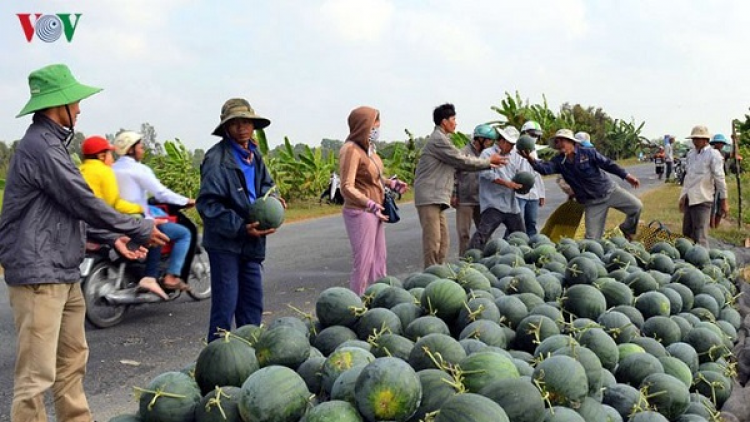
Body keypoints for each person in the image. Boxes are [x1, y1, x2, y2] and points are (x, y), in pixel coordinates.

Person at [0, 63, 166, 422]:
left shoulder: (54, 145)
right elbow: (82, 200)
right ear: (56, 105)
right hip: (38, 273)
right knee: (36, 376)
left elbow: (66, 212)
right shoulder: (39, 147)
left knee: (72, 361)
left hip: (62, 270)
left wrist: (114, 237)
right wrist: (136, 228)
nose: (79, 108)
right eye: (74, 102)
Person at [196, 98, 285, 342]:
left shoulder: (254, 155)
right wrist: (240, 227)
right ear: (226, 127)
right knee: (225, 305)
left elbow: (267, 186)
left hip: (251, 242)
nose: (242, 127)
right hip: (226, 242)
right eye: (236, 123)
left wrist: (275, 199)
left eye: (246, 122)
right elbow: (208, 205)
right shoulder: (216, 160)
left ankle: (250, 352)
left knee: (252, 303)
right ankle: (216, 358)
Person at [413, 103, 507, 268]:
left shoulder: (444, 139)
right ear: (444, 122)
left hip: (437, 197)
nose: (456, 123)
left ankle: (439, 271)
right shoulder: (438, 140)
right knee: (432, 240)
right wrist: (488, 162)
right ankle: (431, 275)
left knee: (443, 241)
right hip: (429, 196)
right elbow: (461, 161)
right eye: (453, 119)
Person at [112, 131, 194, 300]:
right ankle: (170, 277)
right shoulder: (139, 169)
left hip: (116, 220)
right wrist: (186, 200)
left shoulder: (112, 168)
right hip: (137, 220)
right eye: (140, 147)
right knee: (183, 233)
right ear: (131, 149)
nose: (143, 150)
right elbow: (161, 193)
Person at [520, 128, 642, 240]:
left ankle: (627, 229)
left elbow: (608, 164)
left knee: (636, 207)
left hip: (610, 191)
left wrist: (626, 176)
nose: (560, 144)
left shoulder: (588, 153)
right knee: (592, 240)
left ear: (572, 142)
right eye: (558, 142)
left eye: (563, 141)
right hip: (592, 203)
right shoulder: (558, 162)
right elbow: (544, 169)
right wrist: (531, 159)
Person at [339, 106, 408, 295]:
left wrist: (391, 184)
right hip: (361, 212)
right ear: (363, 125)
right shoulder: (351, 150)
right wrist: (368, 203)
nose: (378, 127)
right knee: (364, 262)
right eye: (375, 122)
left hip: (376, 211)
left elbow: (373, 178)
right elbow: (346, 186)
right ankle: (358, 302)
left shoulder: (369, 150)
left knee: (378, 260)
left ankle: (379, 298)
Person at [467, 126, 526, 250]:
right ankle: (470, 260)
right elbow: (485, 173)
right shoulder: (487, 153)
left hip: (511, 205)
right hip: (493, 203)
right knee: (482, 235)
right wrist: (507, 183)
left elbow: (519, 175)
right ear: (503, 141)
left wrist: (522, 184)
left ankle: (523, 259)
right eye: (510, 144)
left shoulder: (514, 156)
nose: (512, 147)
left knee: (521, 236)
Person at [452, 124, 497, 256]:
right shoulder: (463, 153)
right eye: (488, 140)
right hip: (465, 200)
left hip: (482, 200)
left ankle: (489, 258)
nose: (490, 143)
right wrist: (453, 194)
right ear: (480, 139)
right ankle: (464, 260)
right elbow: (454, 174)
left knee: (485, 232)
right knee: (464, 233)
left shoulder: (488, 154)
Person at [679, 126, 728, 246]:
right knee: (686, 233)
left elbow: (720, 178)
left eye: (697, 139)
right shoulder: (691, 154)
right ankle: (688, 261)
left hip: (703, 199)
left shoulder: (713, 155)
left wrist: (724, 200)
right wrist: (682, 196)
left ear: (705, 139)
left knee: (700, 234)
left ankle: (702, 262)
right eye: (693, 139)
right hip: (690, 198)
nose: (694, 141)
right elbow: (688, 177)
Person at [79, 135, 143, 214]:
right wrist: (140, 208)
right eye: (110, 154)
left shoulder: (79, 169)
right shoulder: (104, 171)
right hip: (98, 219)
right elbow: (114, 204)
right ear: (102, 156)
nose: (112, 159)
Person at [514, 122, 547, 237]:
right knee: (517, 223)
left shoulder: (534, 152)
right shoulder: (514, 151)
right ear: (524, 133)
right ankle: (509, 246)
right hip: (519, 194)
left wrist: (541, 194)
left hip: (533, 195)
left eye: (537, 136)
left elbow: (537, 175)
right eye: (533, 134)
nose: (535, 138)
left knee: (531, 223)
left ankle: (531, 247)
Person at [709, 134, 730, 228]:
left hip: (720, 182)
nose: (720, 144)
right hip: (711, 182)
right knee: (712, 206)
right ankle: (712, 225)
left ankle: (715, 226)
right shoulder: (710, 153)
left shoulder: (723, 153)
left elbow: (734, 154)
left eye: (722, 143)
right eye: (718, 143)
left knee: (721, 205)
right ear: (715, 143)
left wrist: (735, 141)